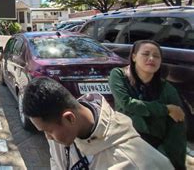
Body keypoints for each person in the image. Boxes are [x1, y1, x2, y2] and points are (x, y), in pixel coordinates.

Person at [23, 77, 174, 170]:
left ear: (69, 118)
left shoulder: (138, 162)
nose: (48, 137)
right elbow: (56, 161)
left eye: (48, 131)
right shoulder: (61, 135)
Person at [109, 40, 187, 169]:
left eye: (156, 56)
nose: (151, 58)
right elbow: (126, 103)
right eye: (146, 54)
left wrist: (174, 162)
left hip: (156, 146)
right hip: (127, 142)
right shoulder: (118, 75)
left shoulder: (167, 89)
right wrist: (165, 109)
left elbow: (177, 131)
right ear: (134, 57)